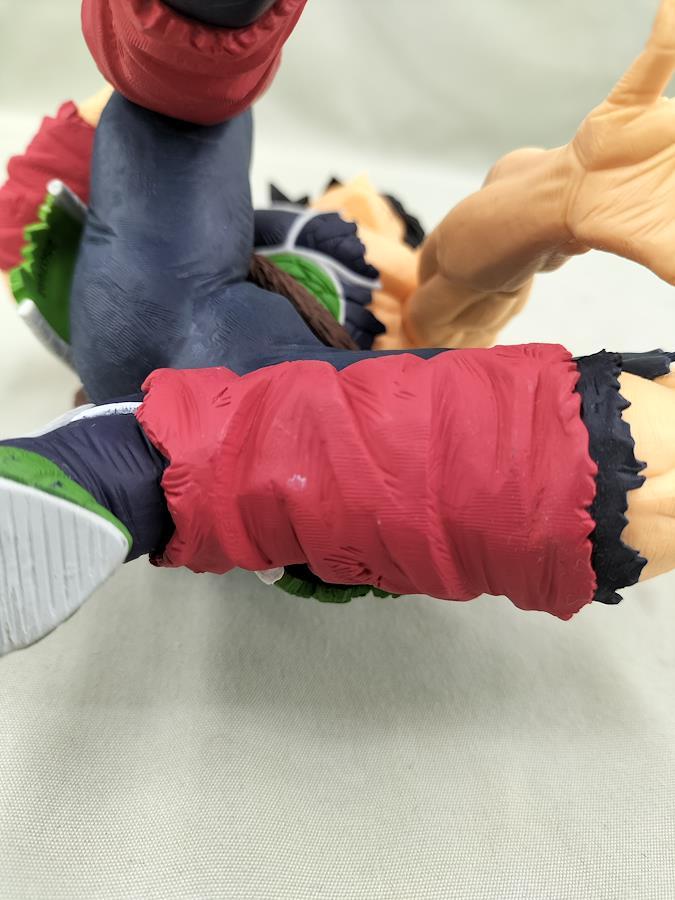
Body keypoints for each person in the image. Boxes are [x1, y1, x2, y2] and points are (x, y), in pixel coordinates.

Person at [3, 0, 675, 656]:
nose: (359, 191)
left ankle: (98, 472)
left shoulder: (404, 310)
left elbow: (465, 273)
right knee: (175, 123)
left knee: (612, 456)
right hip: (150, 302)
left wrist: (553, 204)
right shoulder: (237, 231)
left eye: (391, 215)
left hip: (285, 413)